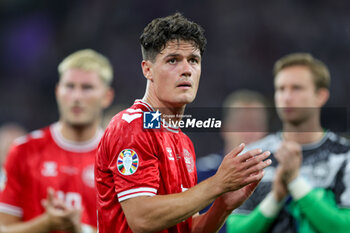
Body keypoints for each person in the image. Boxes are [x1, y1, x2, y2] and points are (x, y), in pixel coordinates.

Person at [96, 13, 272, 233]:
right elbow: (142, 219)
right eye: (173, 60)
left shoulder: (183, 141)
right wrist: (218, 184)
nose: (186, 69)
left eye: (193, 60)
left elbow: (188, 229)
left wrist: (223, 205)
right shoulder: (132, 126)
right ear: (147, 69)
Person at [227, 53, 350, 233]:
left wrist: (295, 182)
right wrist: (275, 198)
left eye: (296, 88)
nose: (286, 96)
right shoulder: (254, 155)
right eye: (281, 89)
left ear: (320, 96)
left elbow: (345, 228)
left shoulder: (344, 156)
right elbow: (235, 230)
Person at [0, 49, 114, 233]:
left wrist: (81, 230)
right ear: (57, 91)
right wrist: (45, 224)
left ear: (107, 97)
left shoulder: (118, 159)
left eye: (87, 88)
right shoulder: (24, 151)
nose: (76, 97)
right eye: (69, 86)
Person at [196, 90, 269, 233]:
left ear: (265, 131)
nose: (248, 132)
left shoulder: (279, 177)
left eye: (255, 125)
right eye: (241, 124)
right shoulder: (199, 174)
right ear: (225, 129)